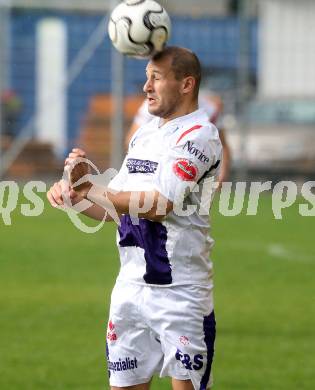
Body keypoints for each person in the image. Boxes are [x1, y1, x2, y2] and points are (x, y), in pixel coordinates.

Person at [47, 46, 222, 390]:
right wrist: (74, 197)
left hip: (180, 295)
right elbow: (116, 208)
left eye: (156, 78)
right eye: (146, 77)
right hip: (129, 292)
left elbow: (159, 205)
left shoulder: (200, 135)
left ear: (186, 84)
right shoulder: (145, 134)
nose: (146, 87)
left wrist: (88, 189)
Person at [125, 88, 231, 187]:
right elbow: (132, 138)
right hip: (153, 175)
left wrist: (221, 174)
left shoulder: (209, 110)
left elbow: (223, 146)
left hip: (193, 177)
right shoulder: (152, 104)